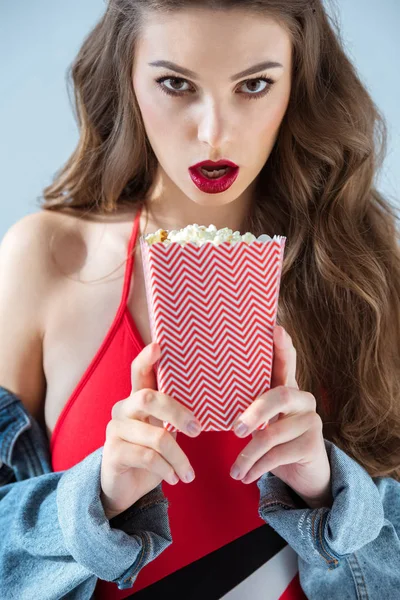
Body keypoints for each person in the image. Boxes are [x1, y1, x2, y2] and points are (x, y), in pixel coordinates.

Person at [0, 0, 399, 598]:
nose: (214, 132)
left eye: (255, 85)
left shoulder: (365, 270)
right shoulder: (47, 257)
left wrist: (331, 496)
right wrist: (95, 499)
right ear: (127, 79)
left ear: (299, 86)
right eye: (176, 84)